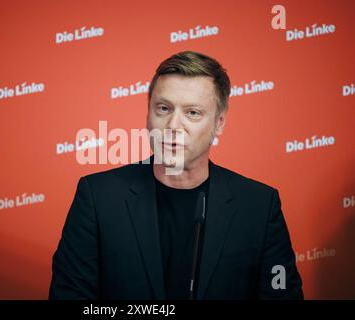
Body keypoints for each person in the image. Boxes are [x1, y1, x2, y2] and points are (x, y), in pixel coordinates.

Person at [49, 51, 303, 300]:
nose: (172, 126)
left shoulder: (259, 205)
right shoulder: (98, 197)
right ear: (148, 113)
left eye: (192, 112)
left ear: (220, 122)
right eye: (163, 108)